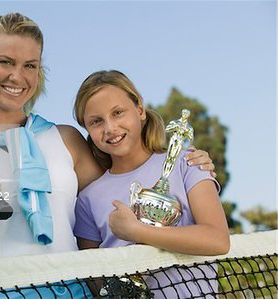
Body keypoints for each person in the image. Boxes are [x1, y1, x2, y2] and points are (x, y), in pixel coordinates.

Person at [0, 13, 216, 297]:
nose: (17, 76)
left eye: (30, 65)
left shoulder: (66, 140)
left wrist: (181, 166)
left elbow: (115, 194)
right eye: (5, 62)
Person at [72, 70, 230, 298]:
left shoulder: (187, 162)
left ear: (139, 110)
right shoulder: (87, 199)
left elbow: (217, 240)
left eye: (118, 113)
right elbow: (97, 284)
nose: (110, 128)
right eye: (96, 121)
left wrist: (137, 231)